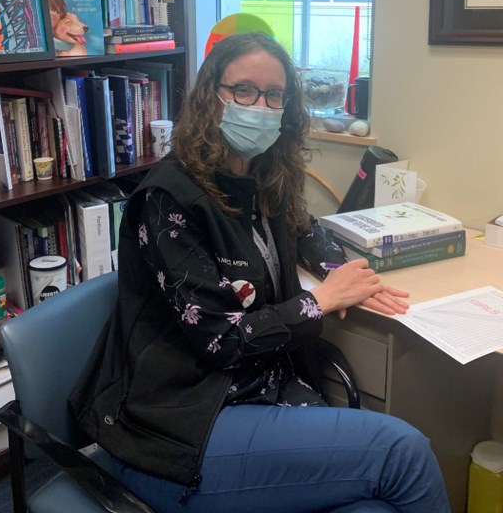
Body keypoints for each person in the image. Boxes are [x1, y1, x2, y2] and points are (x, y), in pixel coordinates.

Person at [70, 32, 451, 513]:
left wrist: (347, 275)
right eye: (244, 90)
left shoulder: (260, 176)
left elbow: (305, 229)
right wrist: (321, 300)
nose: (260, 106)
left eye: (274, 95)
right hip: (178, 425)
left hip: (254, 392)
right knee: (404, 454)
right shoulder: (168, 200)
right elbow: (221, 339)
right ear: (213, 96)